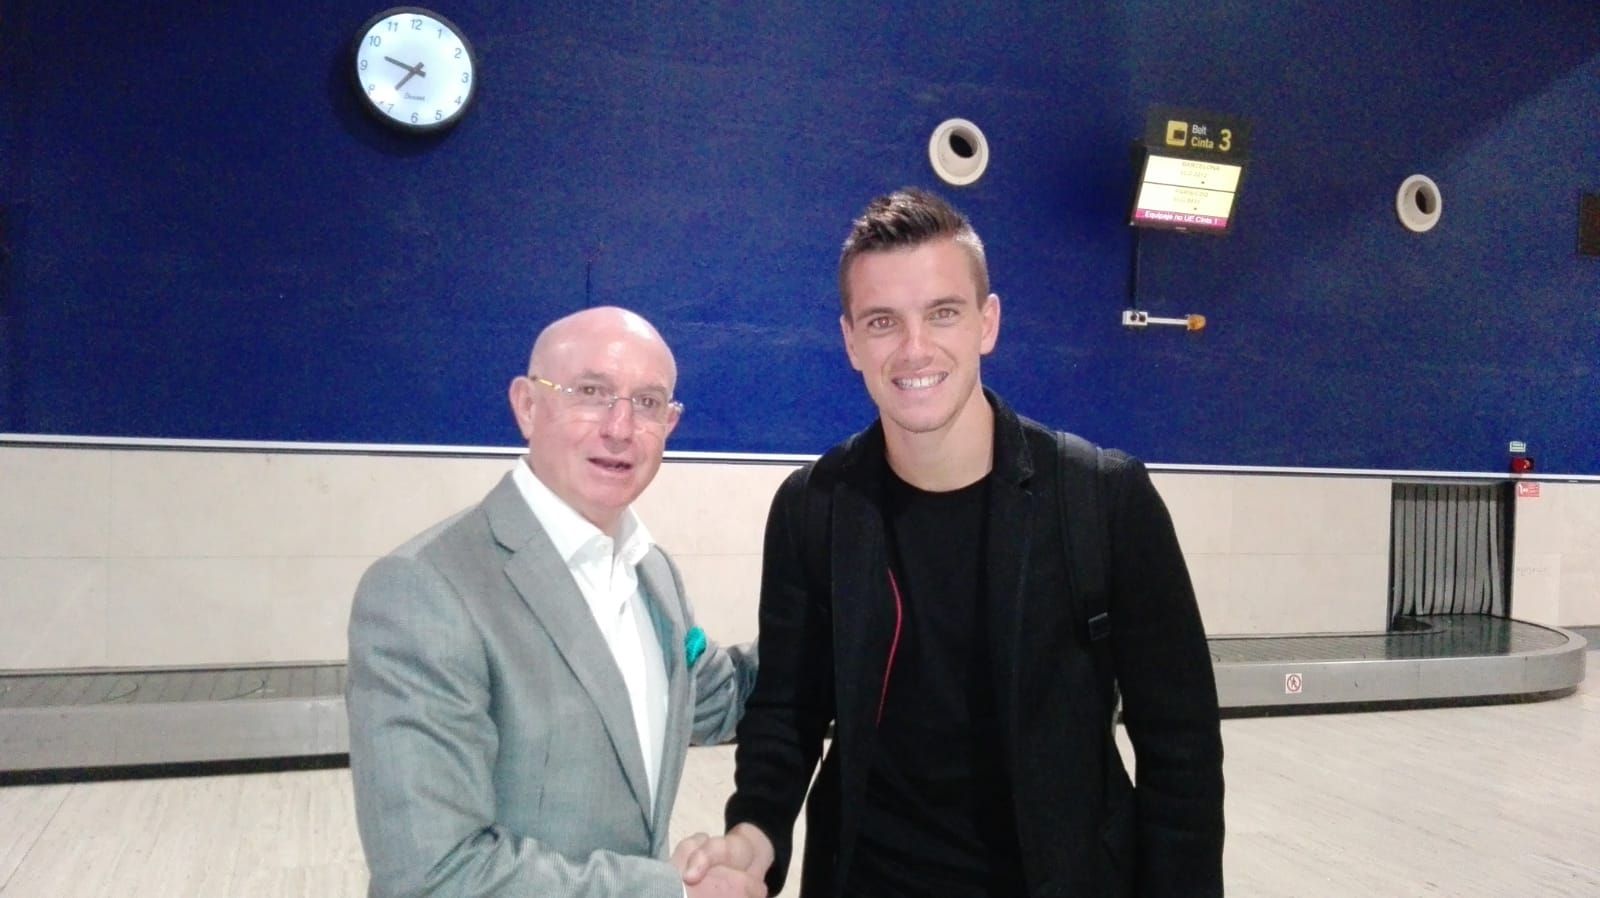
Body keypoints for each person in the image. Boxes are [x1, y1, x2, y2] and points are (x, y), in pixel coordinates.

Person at [676, 189, 1224, 897]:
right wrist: (755, 833)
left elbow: (1179, 746)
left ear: (986, 324)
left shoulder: (1102, 500)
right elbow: (789, 709)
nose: (914, 349)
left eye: (943, 312)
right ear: (849, 340)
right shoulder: (815, 510)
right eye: (882, 322)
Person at [347, 306, 762, 898]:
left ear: (669, 424)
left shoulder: (651, 574)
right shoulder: (426, 590)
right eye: (592, 392)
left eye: (647, 403)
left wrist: (849, 615)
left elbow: (724, 698)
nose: (620, 427)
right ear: (526, 405)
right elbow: (432, 875)